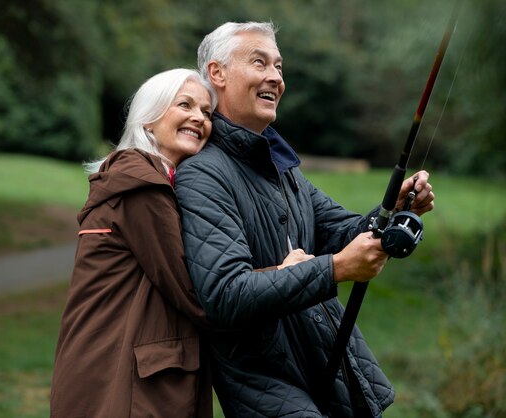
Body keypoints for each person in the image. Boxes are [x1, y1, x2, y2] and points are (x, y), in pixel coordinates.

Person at [174, 22, 435, 417]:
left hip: (327, 371)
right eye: (259, 62)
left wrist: (394, 208)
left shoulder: (282, 167)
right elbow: (225, 295)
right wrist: (333, 270)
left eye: (279, 67)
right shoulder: (203, 175)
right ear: (217, 73)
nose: (275, 77)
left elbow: (341, 232)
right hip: (269, 386)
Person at [50, 68, 218, 418]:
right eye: (184, 104)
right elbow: (195, 289)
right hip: (124, 383)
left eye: (206, 112)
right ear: (149, 119)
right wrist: (282, 274)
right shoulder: (141, 185)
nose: (198, 117)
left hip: (108, 369)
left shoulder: (145, 178)